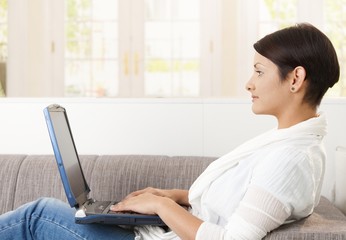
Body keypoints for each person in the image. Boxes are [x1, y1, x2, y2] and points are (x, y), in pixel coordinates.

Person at [0, 22, 340, 240]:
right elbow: (241, 199)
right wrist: (174, 195)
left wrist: (162, 208)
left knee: (37, 214)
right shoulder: (291, 144)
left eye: (259, 71)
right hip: (160, 232)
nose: (249, 83)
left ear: (295, 78)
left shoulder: (290, 159)